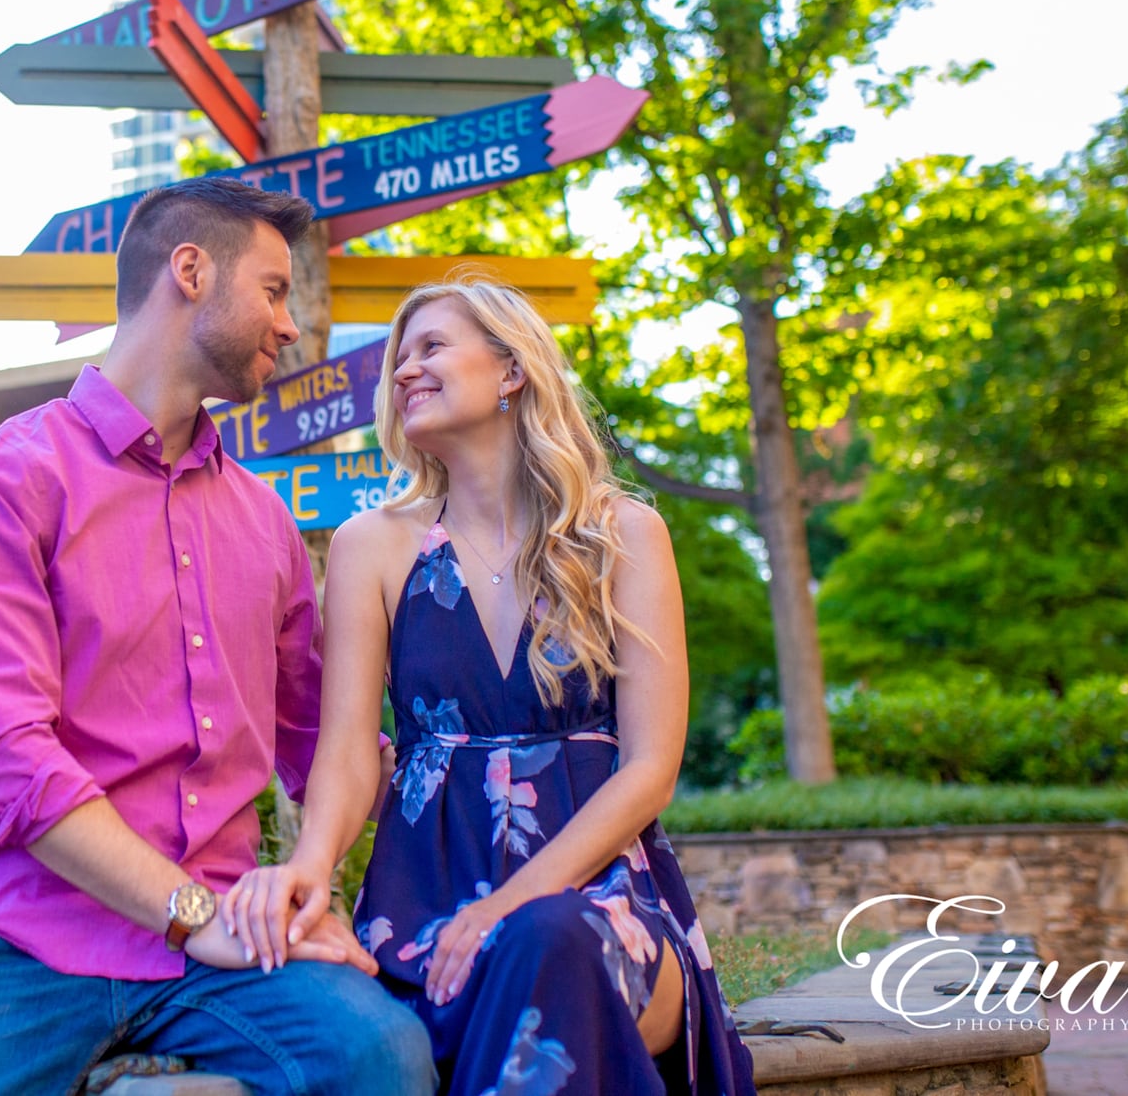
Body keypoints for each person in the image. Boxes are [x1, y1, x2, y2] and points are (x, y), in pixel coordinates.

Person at [0, 179, 435, 1096]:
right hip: (12, 937)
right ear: (190, 270)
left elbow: (324, 745)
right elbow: (3, 753)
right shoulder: (2, 484)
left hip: (220, 948)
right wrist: (188, 911)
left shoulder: (268, 527)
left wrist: (322, 876)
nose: (291, 327)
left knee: (382, 1056)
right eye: (275, 290)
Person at [220, 279, 758, 1096]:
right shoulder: (373, 545)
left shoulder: (624, 535)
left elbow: (651, 767)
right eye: (399, 359)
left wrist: (505, 905)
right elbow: (348, 754)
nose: (404, 371)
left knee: (549, 942)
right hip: (424, 906)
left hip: (599, 902)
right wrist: (312, 869)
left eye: (430, 347)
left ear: (512, 370)